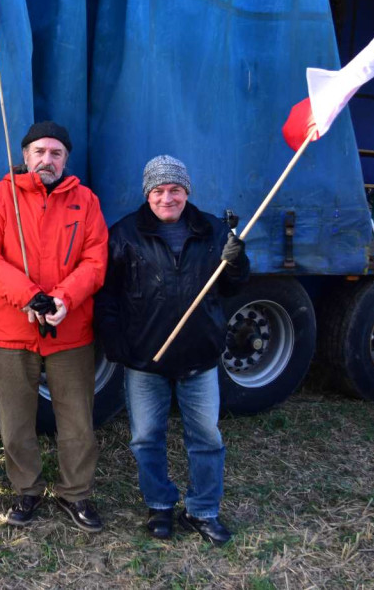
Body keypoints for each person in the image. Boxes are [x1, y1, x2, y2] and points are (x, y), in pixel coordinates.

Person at [95, 155, 249, 546]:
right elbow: (107, 294)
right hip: (146, 359)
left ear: (186, 192)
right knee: (146, 436)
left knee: (207, 438)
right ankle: (159, 506)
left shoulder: (212, 230)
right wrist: (114, 341)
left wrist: (236, 262)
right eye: (159, 190)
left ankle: (203, 510)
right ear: (148, 194)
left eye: (175, 189)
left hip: (199, 357)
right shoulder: (125, 234)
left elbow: (233, 287)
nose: (168, 198)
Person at [0, 121, 108, 532]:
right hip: (10, 331)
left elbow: (96, 260)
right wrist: (28, 295)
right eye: (40, 152)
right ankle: (26, 489)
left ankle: (75, 493)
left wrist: (63, 298)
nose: (47, 160)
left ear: (66, 159)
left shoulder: (86, 201)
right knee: (14, 422)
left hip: (70, 331)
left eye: (56, 153)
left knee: (78, 422)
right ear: (26, 155)